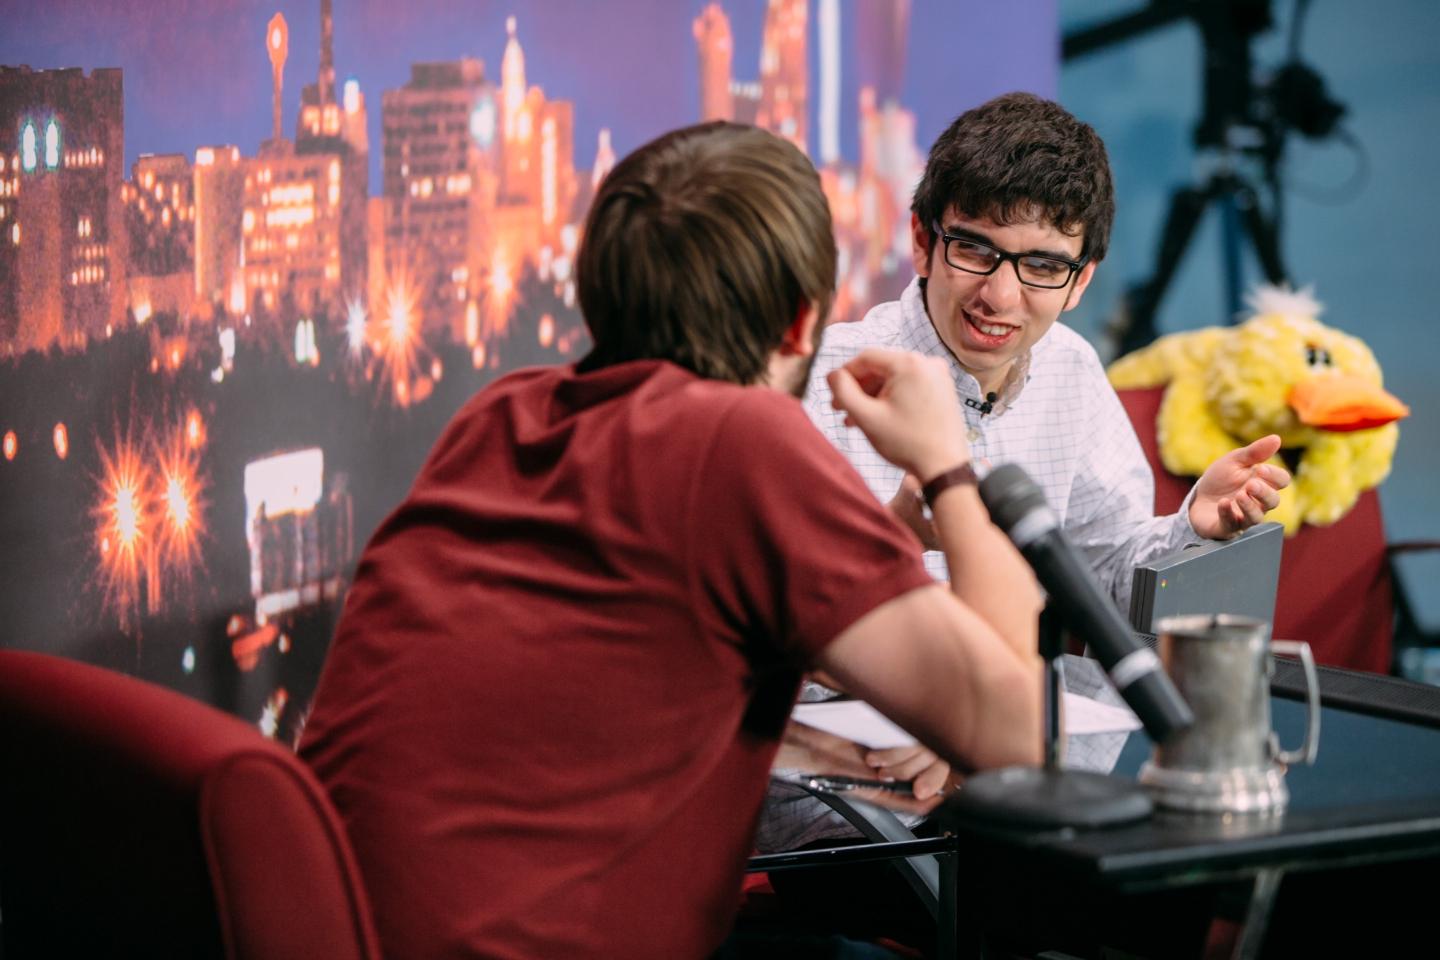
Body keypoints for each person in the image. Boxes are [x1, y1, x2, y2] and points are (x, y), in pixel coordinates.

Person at [298, 121, 1046, 960]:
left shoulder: (503, 414)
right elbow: (1013, 735)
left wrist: (793, 728)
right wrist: (947, 464)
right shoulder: (744, 441)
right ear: (801, 323)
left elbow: (609, 668)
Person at [759, 91, 1292, 941]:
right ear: (925, 240)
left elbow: (1105, 577)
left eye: (1043, 265)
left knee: (1219, 884)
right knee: (1039, 909)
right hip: (845, 785)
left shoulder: (1074, 374)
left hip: (1014, 773)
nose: (1003, 294)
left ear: (1080, 282)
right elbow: (766, 636)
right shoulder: (822, 378)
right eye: (977, 249)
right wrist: (937, 716)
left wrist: (1195, 524)